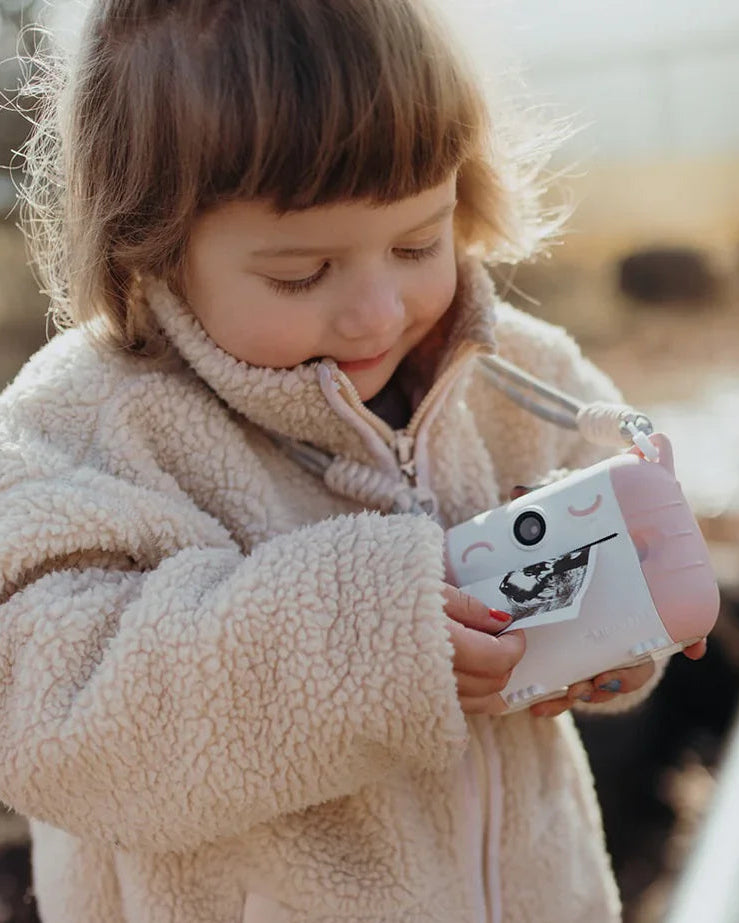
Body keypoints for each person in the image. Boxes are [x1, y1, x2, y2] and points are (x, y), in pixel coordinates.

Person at [0, 1, 706, 921]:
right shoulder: (90, 428)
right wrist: (368, 637)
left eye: (418, 243)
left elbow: (600, 562)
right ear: (153, 241)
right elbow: (51, 718)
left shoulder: (521, 378)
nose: (376, 311)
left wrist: (610, 641)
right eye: (301, 274)